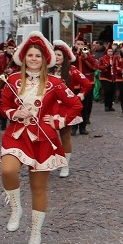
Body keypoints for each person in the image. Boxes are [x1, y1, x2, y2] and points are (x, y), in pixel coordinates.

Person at [0, 33, 83, 244]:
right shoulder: (13, 80)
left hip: (43, 138)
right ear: (23, 57)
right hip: (17, 134)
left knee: (38, 188)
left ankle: (35, 233)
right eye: (30, 55)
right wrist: (14, 112)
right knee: (8, 170)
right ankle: (16, 209)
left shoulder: (55, 83)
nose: (34, 59)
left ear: (45, 60)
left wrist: (58, 120)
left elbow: (75, 104)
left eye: (38, 55)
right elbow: (3, 105)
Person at [51, 40, 89, 178]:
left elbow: (86, 83)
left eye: (59, 55)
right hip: (49, 108)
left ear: (64, 57)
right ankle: (48, 162)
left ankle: (65, 166)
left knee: (65, 137)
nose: (56, 57)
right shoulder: (46, 70)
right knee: (47, 137)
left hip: (65, 108)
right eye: (54, 54)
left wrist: (79, 97)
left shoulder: (71, 70)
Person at [99, 44, 116, 112]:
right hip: (105, 77)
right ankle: (106, 105)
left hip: (113, 77)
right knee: (107, 90)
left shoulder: (115, 58)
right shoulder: (102, 58)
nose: (110, 53)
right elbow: (99, 67)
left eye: (111, 51)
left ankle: (110, 106)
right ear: (106, 52)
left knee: (112, 91)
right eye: (109, 51)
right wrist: (106, 67)